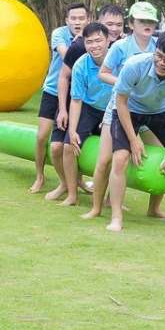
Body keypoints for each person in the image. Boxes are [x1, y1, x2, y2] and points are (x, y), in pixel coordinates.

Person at [105, 29, 165, 232]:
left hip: (160, 109)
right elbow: (120, 103)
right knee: (120, 158)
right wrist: (133, 139)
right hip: (129, 109)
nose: (161, 62)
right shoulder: (135, 65)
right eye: (158, 55)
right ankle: (116, 217)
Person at [58, 21, 115, 214]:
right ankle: (72, 195)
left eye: (99, 40)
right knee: (68, 146)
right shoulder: (81, 64)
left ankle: (110, 199)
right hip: (89, 108)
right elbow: (76, 100)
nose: (94, 46)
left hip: (113, 108)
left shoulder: (119, 61)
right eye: (89, 42)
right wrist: (73, 130)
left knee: (117, 152)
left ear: (108, 41)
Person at [33, 3, 89, 196]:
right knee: (42, 136)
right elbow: (67, 55)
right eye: (73, 18)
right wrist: (80, 40)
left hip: (77, 94)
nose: (77, 22)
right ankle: (40, 176)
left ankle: (77, 180)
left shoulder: (92, 37)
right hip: (52, 91)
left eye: (81, 18)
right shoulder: (59, 34)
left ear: (88, 19)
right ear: (67, 20)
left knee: (74, 140)